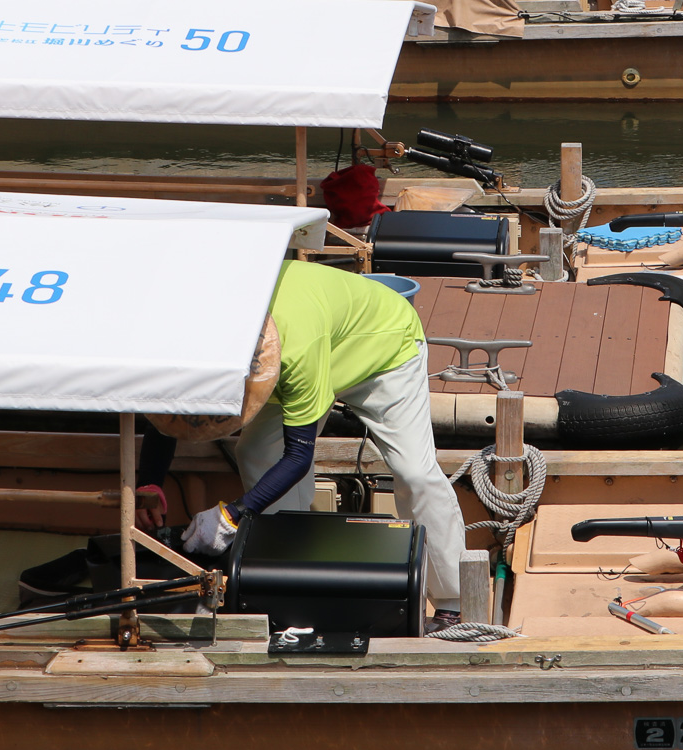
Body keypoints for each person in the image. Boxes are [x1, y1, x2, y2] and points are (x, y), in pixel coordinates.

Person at [137, 260, 470, 632]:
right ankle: (291, 576)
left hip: (385, 349)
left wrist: (232, 515)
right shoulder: (212, 326)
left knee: (415, 472)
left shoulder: (297, 351)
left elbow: (297, 457)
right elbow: (174, 409)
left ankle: (453, 601)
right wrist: (150, 483)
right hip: (316, 341)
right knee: (255, 452)